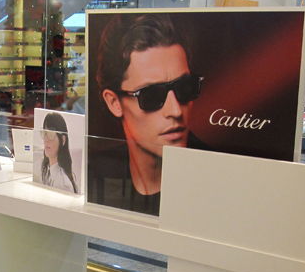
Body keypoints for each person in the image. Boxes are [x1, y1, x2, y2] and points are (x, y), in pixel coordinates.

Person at [93, 13, 206, 213]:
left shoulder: (217, 179)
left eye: (185, 87)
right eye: (152, 95)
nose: (175, 110)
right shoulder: (96, 173)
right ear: (114, 102)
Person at [40, 112, 78, 193]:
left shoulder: (63, 184)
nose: (46, 139)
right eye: (44, 133)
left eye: (51, 134)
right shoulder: (47, 173)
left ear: (63, 140)